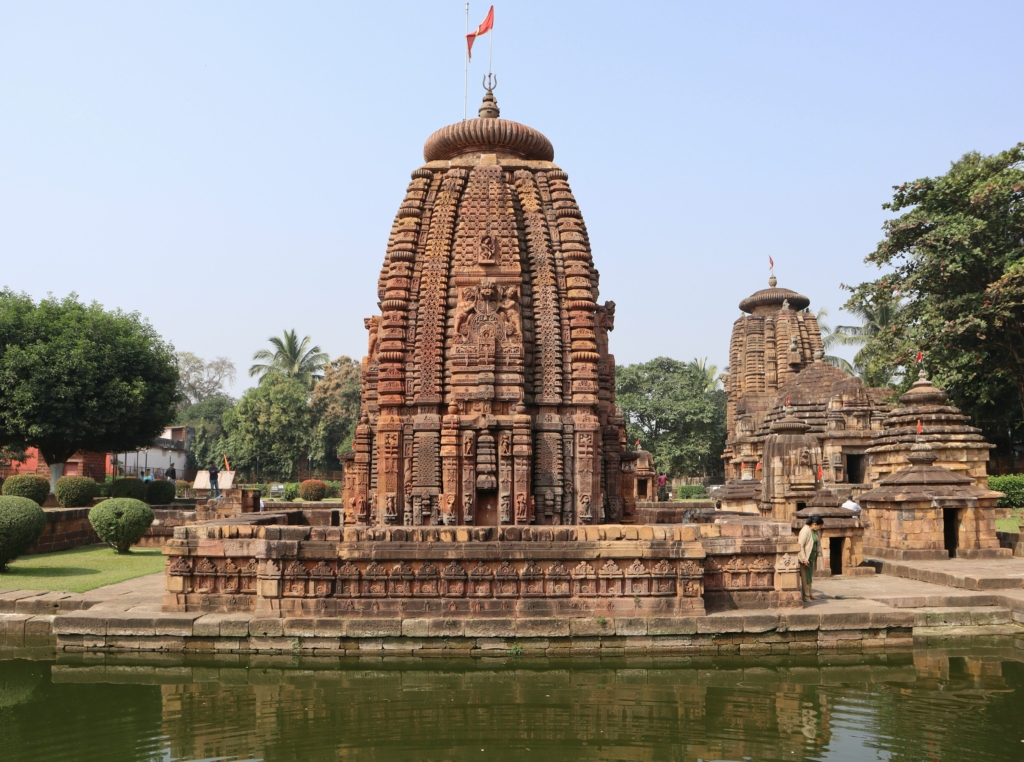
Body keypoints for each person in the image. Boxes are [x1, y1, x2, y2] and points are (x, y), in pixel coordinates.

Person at [798, 516, 824, 602]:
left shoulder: (813, 531)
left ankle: (810, 594)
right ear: (814, 524)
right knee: (805, 578)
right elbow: (800, 545)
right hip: (805, 558)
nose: (819, 528)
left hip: (811, 558)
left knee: (809, 577)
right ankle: (806, 596)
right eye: (819, 526)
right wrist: (804, 559)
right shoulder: (805, 531)